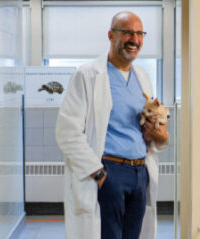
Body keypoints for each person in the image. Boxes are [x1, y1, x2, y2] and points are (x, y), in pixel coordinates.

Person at [55, 11, 169, 239]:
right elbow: (67, 132)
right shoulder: (87, 75)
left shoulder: (142, 76)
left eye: (139, 33)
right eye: (127, 32)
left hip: (140, 172)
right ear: (111, 35)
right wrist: (98, 174)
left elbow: (143, 126)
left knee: (133, 235)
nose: (134, 40)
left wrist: (155, 131)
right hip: (109, 171)